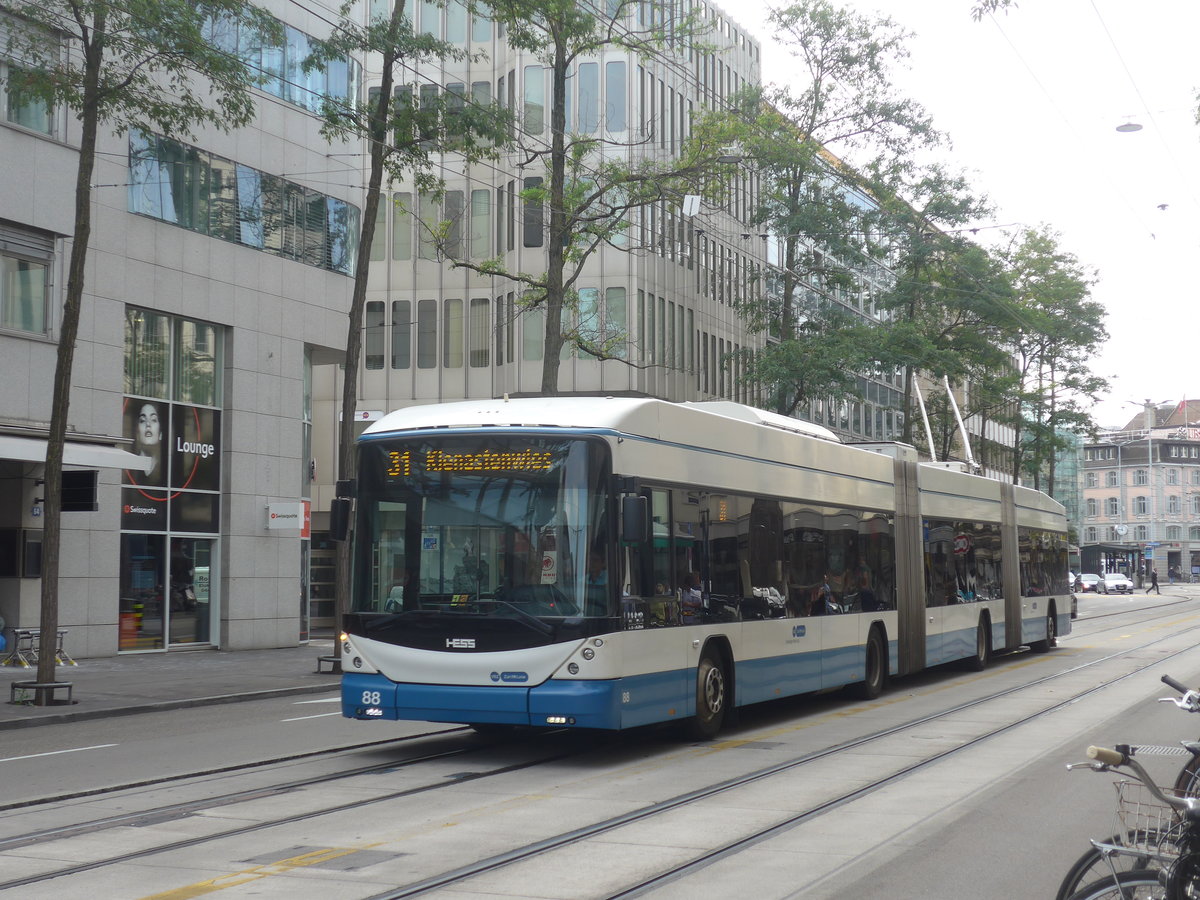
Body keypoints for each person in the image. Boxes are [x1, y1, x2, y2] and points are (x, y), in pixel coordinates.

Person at [130, 401, 165, 485]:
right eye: (142, 421)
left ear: (160, 433)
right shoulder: (130, 468)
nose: (148, 424)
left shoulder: (167, 470)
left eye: (153, 420)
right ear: (137, 433)